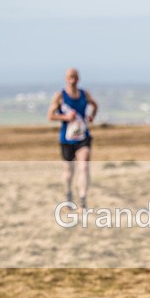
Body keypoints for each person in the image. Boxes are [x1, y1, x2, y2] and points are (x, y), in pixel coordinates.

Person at [47, 68, 99, 212]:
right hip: (67, 139)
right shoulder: (60, 96)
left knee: (84, 166)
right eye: (70, 77)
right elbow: (50, 116)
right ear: (66, 78)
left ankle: (83, 200)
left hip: (83, 137)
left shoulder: (84, 94)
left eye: (75, 77)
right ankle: (68, 193)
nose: (73, 80)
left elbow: (95, 105)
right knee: (69, 172)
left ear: (78, 78)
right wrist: (65, 117)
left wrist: (91, 115)